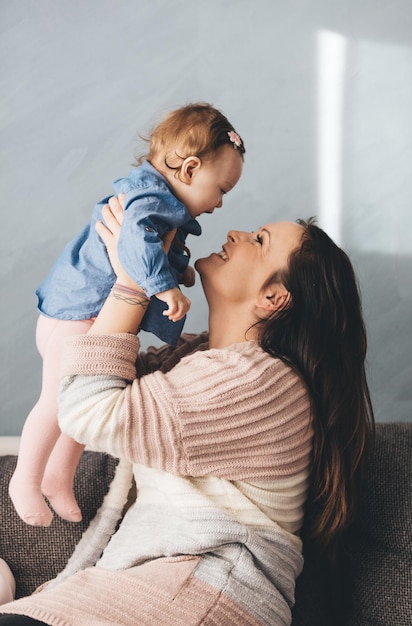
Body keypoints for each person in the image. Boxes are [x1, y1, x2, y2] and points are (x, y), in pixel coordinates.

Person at [0, 197, 374, 626]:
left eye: (258, 240)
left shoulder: (261, 382)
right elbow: (84, 370)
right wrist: (131, 260)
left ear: (273, 297)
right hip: (158, 588)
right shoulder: (196, 358)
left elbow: (88, 409)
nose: (235, 233)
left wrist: (133, 284)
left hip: (206, 594)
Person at [9, 103, 245, 528]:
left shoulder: (165, 203)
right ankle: (23, 480)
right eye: (222, 189)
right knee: (56, 402)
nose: (221, 203)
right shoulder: (150, 197)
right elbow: (134, 245)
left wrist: (179, 270)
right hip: (76, 313)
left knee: (87, 407)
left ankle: (58, 478)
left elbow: (156, 248)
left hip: (91, 319)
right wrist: (163, 286)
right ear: (189, 169)